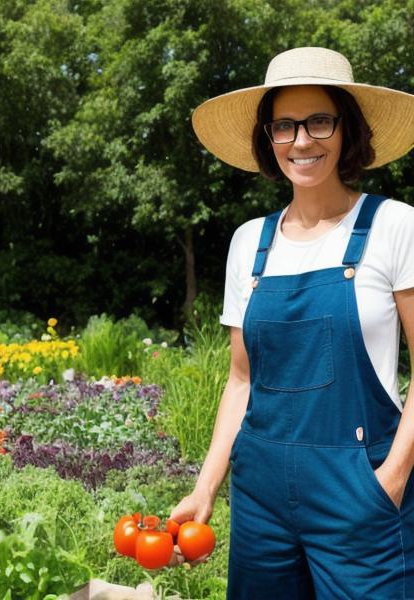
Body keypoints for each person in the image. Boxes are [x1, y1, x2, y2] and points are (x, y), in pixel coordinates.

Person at [177, 47, 414, 597]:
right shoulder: (248, 243)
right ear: (268, 137)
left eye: (319, 122)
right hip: (260, 499)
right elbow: (241, 380)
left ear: (346, 129)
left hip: (358, 493)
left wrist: (391, 484)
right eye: (285, 126)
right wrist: (206, 486)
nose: (302, 141)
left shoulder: (394, 226)